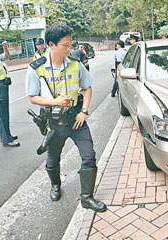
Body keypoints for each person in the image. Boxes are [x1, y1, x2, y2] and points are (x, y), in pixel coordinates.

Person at [25, 24, 107, 212]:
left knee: (89, 155)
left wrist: (84, 111)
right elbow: (32, 97)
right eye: (65, 45)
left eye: (70, 44)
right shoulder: (36, 69)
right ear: (51, 44)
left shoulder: (75, 64)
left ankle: (87, 198)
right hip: (54, 123)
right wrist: (55, 101)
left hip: (76, 120)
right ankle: (55, 186)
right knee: (53, 159)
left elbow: (87, 87)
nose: (69, 49)